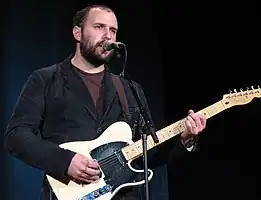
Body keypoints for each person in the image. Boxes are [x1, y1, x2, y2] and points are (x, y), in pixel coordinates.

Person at [4, 4, 207, 200]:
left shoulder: (130, 89)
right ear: (77, 33)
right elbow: (16, 136)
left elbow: (147, 153)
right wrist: (66, 161)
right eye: (99, 27)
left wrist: (184, 137)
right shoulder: (46, 79)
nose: (108, 36)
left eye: (113, 30)